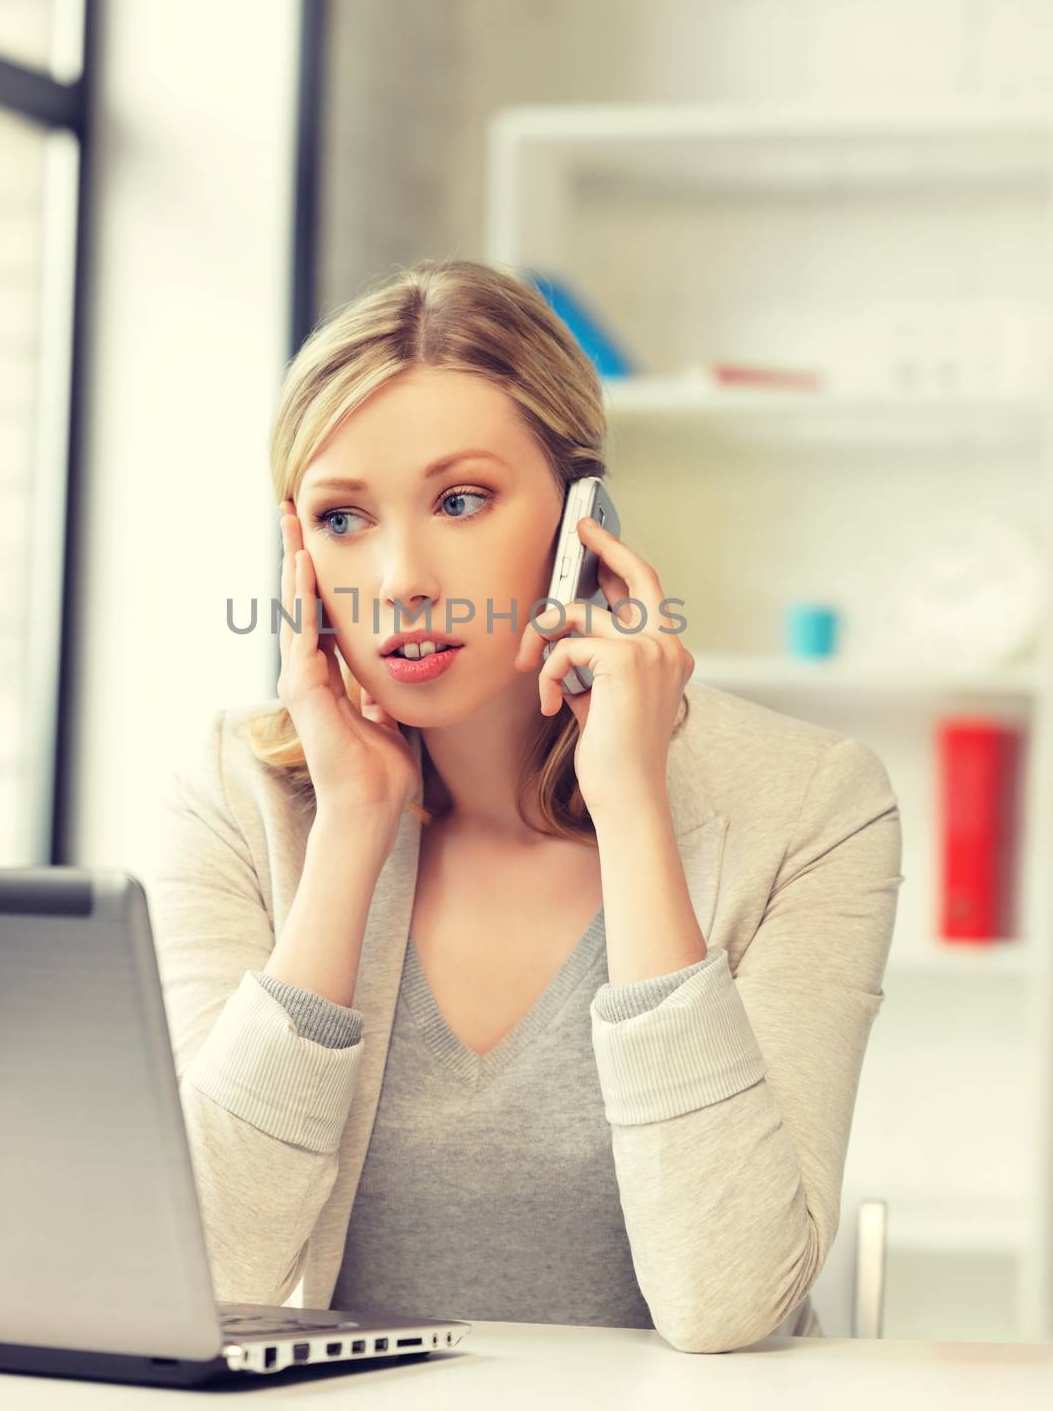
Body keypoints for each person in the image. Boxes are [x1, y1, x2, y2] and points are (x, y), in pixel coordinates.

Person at [143, 257, 903, 1353]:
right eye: (344, 518)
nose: (401, 576)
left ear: (581, 520)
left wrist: (633, 807)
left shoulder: (812, 807)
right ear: (296, 554)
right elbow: (209, 1273)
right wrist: (352, 828)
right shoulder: (237, 796)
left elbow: (726, 1297)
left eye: (461, 500)